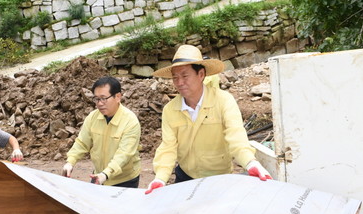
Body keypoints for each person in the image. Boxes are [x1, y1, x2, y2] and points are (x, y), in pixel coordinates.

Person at [145, 45, 272, 194]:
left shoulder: (224, 101)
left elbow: (236, 137)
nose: (179, 83)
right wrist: (160, 178)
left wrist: (250, 163)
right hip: (186, 176)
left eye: (185, 76)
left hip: (219, 178)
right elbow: (168, 148)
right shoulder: (170, 110)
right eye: (175, 77)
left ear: (201, 74)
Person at [63, 76, 141, 187]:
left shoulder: (130, 121)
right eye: (96, 99)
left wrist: (106, 174)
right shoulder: (93, 117)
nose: (99, 103)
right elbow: (82, 143)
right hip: (99, 176)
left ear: (117, 97)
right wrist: (70, 162)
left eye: (103, 98)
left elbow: (124, 154)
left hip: (124, 180)